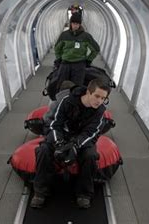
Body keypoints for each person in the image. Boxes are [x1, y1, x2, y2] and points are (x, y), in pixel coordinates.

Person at [30, 79, 111, 209]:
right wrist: (59, 143)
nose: (99, 101)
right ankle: (40, 192)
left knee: (90, 155)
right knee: (43, 150)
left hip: (81, 139)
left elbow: (91, 133)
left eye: (103, 98)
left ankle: (84, 194)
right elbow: (55, 125)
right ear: (88, 92)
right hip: (62, 135)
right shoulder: (67, 101)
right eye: (97, 96)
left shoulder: (100, 111)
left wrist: (74, 145)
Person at [54, 12, 100, 89]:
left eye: (77, 24)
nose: (75, 25)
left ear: (80, 24)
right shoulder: (64, 35)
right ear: (70, 23)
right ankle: (61, 99)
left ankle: (75, 100)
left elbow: (96, 49)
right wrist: (59, 59)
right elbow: (57, 48)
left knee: (77, 87)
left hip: (79, 64)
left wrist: (88, 60)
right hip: (65, 63)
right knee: (61, 85)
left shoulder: (86, 36)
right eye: (74, 23)